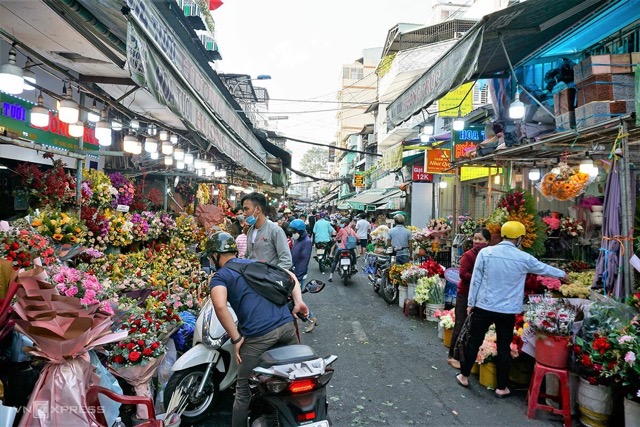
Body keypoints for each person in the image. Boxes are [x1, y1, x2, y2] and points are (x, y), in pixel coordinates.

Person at [207, 232, 309, 427]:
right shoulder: (254, 263)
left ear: (214, 256)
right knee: (294, 376)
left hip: (258, 336)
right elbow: (291, 277)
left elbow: (220, 306)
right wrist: (299, 303)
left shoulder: (220, 276)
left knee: (243, 391)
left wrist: (237, 340)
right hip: (287, 328)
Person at [455, 221, 565, 398]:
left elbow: (476, 280)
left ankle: (464, 375)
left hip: (483, 305)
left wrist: (470, 303)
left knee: (474, 341)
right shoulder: (523, 257)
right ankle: (501, 387)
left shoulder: (486, 252)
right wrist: (563, 274)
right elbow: (543, 269)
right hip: (506, 310)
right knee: (504, 347)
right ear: (519, 238)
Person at [447, 228, 491, 369]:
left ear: (487, 242)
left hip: (481, 296)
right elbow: (463, 274)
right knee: (460, 323)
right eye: (475, 239)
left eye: (480, 239)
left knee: (473, 327)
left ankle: (466, 356)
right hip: (465, 294)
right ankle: (453, 355)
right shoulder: (468, 255)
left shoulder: (488, 255)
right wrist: (479, 280)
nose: (477, 242)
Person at [242, 192, 292, 270]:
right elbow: (248, 255)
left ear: (258, 209)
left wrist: (271, 276)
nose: (244, 213)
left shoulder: (275, 231)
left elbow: (286, 261)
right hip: (250, 278)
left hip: (267, 280)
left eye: (246, 209)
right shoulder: (250, 231)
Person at [289, 219, 318, 333]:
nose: (293, 233)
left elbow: (304, 261)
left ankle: (311, 318)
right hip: (293, 272)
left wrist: (297, 278)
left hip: (298, 275)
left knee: (296, 300)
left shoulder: (306, 242)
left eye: (294, 231)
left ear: (300, 231)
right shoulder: (298, 239)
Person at [328, 218, 357, 282]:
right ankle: (355, 267)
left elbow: (337, 237)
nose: (341, 224)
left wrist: (335, 239)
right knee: (354, 256)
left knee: (335, 261)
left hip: (342, 249)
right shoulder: (352, 230)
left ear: (345, 223)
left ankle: (330, 276)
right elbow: (357, 237)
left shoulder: (342, 230)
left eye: (342, 223)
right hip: (350, 249)